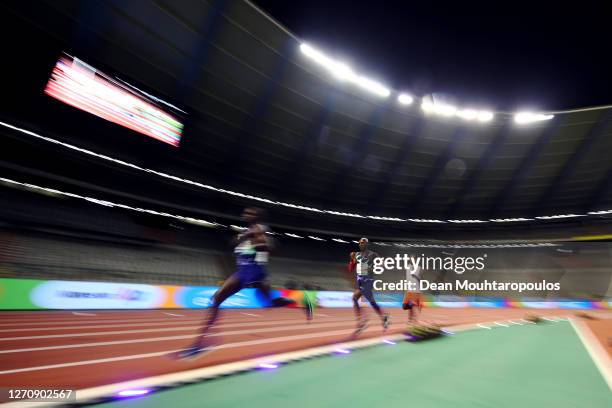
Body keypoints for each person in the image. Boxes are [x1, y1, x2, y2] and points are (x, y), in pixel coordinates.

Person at [177, 207, 313, 359]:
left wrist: (254, 241)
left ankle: (300, 300)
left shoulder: (259, 229)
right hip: (242, 271)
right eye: (245, 213)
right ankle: (203, 342)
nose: (245, 215)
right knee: (219, 298)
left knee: (267, 303)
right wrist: (242, 238)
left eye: (250, 213)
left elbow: (267, 248)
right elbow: (235, 243)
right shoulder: (248, 230)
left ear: (258, 217)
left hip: (254, 270)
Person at [348, 237, 390, 336]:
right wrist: (351, 260)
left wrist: (374, 268)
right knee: (369, 302)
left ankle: (362, 322)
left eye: (362, 243)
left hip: (368, 280)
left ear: (366, 244)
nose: (360, 244)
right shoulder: (356, 255)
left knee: (355, 297)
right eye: (359, 243)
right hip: (360, 281)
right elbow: (351, 269)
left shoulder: (373, 254)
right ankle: (384, 317)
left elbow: (383, 264)